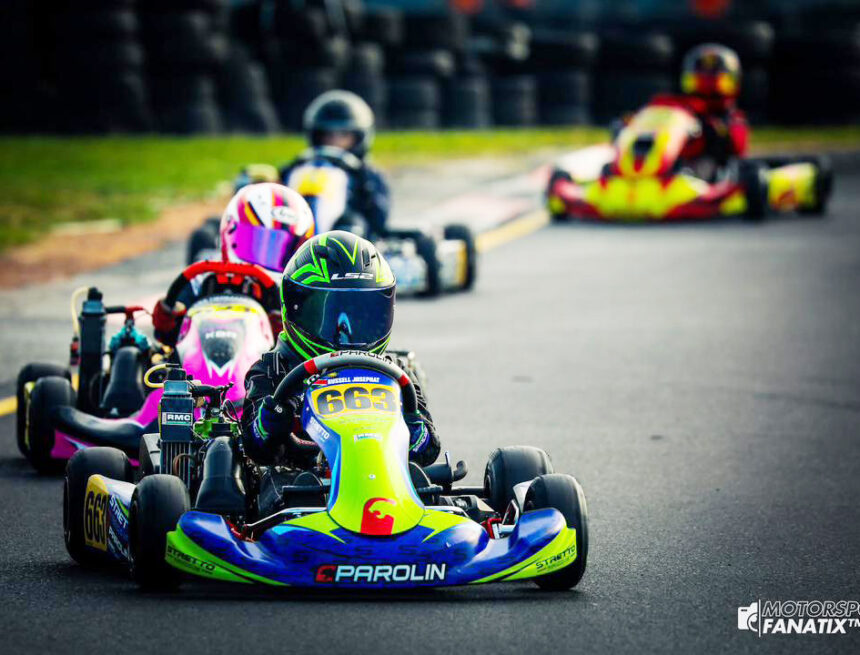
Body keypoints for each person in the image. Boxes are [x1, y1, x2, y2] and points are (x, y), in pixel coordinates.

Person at [240, 230, 440, 472]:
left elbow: (427, 450)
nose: (347, 330)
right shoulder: (272, 371)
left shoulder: (397, 374)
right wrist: (271, 421)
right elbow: (255, 445)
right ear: (294, 309)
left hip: (385, 480)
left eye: (361, 314)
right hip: (297, 490)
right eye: (331, 315)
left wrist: (414, 429)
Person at [152, 183, 315, 346]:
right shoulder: (202, 277)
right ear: (230, 231)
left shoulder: (295, 296)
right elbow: (165, 335)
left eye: (284, 249)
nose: (267, 255)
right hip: (195, 363)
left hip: (268, 367)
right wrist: (169, 318)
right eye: (257, 242)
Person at [280, 90, 391, 239]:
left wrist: (365, 187)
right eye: (328, 135)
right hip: (294, 227)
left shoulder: (366, 174)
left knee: (351, 223)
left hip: (345, 241)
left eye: (343, 136)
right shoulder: (296, 168)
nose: (334, 142)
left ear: (358, 138)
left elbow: (379, 220)